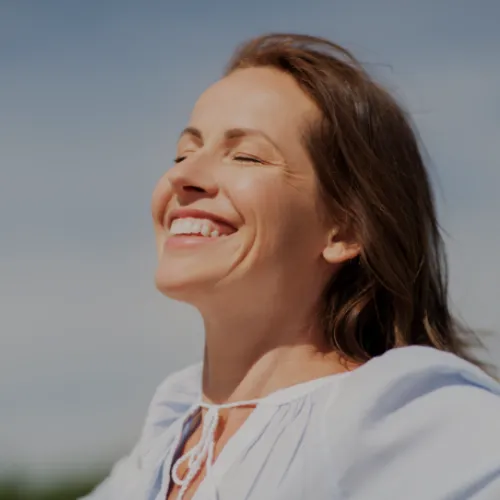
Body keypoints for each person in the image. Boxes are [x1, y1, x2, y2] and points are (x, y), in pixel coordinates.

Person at [81, 33, 500, 500]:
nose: (181, 175)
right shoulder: (167, 432)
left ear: (345, 229)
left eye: (246, 156)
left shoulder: (395, 415)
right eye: (184, 152)